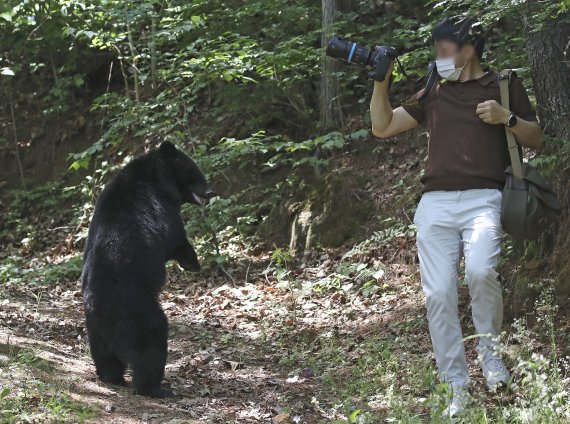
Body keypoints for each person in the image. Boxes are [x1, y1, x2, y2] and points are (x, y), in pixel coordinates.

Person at [369, 15, 544, 417]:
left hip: (484, 197)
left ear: (469, 49)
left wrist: (507, 118)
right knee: (439, 296)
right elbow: (382, 127)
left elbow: (536, 137)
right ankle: (455, 387)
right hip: (435, 204)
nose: (439, 56)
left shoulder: (502, 83)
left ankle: (492, 356)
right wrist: (381, 81)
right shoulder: (434, 89)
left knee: (481, 272)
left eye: (445, 48)